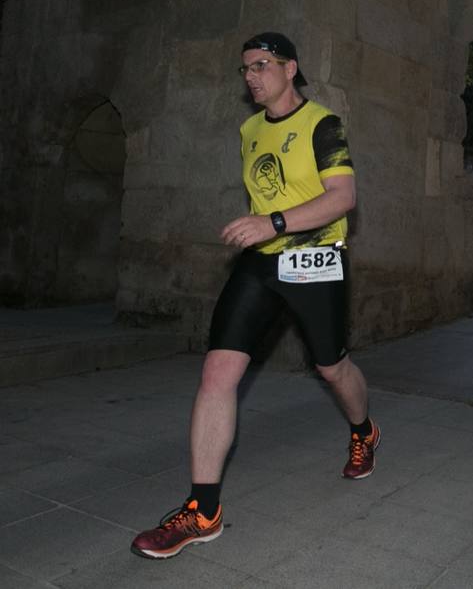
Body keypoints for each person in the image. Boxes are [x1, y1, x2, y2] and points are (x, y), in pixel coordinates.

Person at [131, 32, 378, 560]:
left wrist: (274, 222)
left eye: (262, 65)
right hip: (261, 266)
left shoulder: (322, 125)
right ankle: (203, 510)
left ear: (291, 69)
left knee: (332, 368)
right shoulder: (247, 130)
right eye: (245, 68)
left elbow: (343, 197)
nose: (251, 76)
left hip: (315, 262)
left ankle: (363, 430)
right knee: (217, 373)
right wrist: (262, 230)